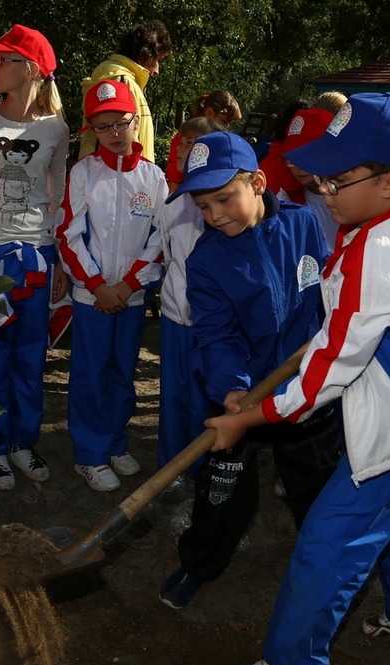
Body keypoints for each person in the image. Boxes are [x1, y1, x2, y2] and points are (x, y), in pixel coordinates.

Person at [215, 93, 390, 665]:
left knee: (332, 538)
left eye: (337, 178)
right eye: (320, 175)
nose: (323, 189)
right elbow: (351, 327)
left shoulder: (378, 249)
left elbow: (325, 375)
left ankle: (294, 664)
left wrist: (250, 418)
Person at [156, 131, 342, 610]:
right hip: (244, 396)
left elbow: (326, 295)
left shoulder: (303, 225)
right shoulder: (207, 261)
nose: (215, 214)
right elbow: (217, 336)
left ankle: (325, 574)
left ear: (258, 183)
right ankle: (199, 563)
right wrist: (233, 390)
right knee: (220, 494)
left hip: (304, 389)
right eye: (202, 204)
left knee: (316, 489)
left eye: (223, 198)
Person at [0, 24, 69, 491]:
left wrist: (58, 256)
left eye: (3, 60)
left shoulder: (56, 128)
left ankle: (23, 443)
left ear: (33, 69)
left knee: (29, 357)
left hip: (38, 257)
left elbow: (57, 196)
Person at [57, 80, 166, 490]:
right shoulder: (83, 173)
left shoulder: (153, 178)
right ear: (91, 131)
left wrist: (128, 285)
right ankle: (89, 453)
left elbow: (160, 238)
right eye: (104, 127)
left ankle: (116, 443)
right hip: (92, 298)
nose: (115, 134)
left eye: (121, 123)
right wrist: (99, 286)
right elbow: (68, 233)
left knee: (123, 372)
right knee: (90, 374)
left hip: (131, 297)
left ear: (135, 122)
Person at [147, 115, 224, 504]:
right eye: (181, 142)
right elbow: (166, 258)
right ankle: (170, 474)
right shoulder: (172, 204)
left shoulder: (228, 203)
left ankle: (206, 476)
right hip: (178, 320)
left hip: (216, 327)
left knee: (208, 400)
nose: (183, 149)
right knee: (174, 399)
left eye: (195, 143)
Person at [79, 20, 172, 162]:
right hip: (119, 178)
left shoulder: (122, 79)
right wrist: (139, 178)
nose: (157, 70)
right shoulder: (121, 82)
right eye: (158, 60)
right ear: (145, 54)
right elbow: (123, 139)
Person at [278, 107, 339, 245]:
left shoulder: (351, 196)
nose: (298, 166)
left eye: (307, 155)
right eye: (291, 159)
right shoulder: (287, 199)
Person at [165, 90, 241, 191]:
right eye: (224, 121)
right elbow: (173, 178)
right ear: (210, 113)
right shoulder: (187, 136)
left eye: (229, 123)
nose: (227, 127)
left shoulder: (217, 140)